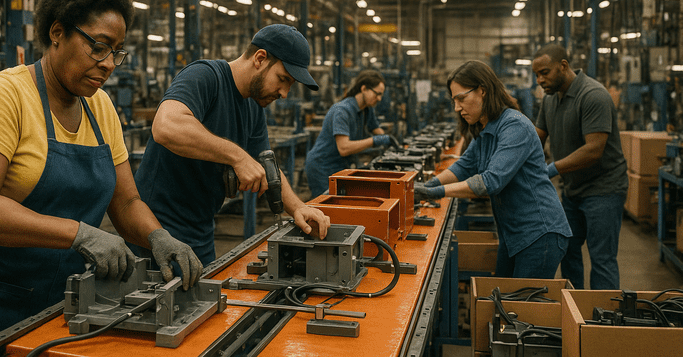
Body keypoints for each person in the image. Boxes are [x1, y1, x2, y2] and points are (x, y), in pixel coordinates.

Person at [0, 0, 202, 356]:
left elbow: (126, 202)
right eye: (98, 46)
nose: (108, 64)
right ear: (57, 33)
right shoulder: (4, 95)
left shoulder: (100, 108)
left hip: (52, 301)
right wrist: (79, 234)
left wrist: (157, 237)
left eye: (116, 51)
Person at [133, 24, 331, 267]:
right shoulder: (205, 76)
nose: (285, 93)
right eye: (283, 79)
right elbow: (165, 126)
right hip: (155, 233)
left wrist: (298, 207)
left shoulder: (253, 108)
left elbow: (266, 166)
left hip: (202, 231)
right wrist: (238, 157)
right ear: (260, 58)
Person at [417, 60, 572, 278]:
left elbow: (490, 182)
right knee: (503, 299)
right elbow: (465, 165)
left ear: (483, 91)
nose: (457, 107)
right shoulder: (486, 127)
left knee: (521, 307)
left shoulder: (514, 125)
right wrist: (430, 183)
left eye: (461, 98)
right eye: (454, 100)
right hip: (513, 233)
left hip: (540, 233)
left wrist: (437, 193)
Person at [532, 44, 628, 289]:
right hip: (573, 190)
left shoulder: (593, 95)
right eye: (537, 75)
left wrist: (551, 169)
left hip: (604, 189)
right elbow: (536, 137)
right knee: (567, 250)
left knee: (602, 258)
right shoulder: (550, 100)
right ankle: (574, 311)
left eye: (545, 72)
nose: (540, 80)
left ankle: (602, 321)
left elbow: (593, 150)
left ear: (563, 66)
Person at [304, 70, 399, 198]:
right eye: (377, 94)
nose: (379, 98)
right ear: (364, 88)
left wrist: (391, 143)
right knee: (326, 210)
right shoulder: (342, 111)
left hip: (341, 165)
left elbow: (378, 131)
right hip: (322, 166)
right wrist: (375, 141)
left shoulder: (366, 109)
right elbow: (343, 148)